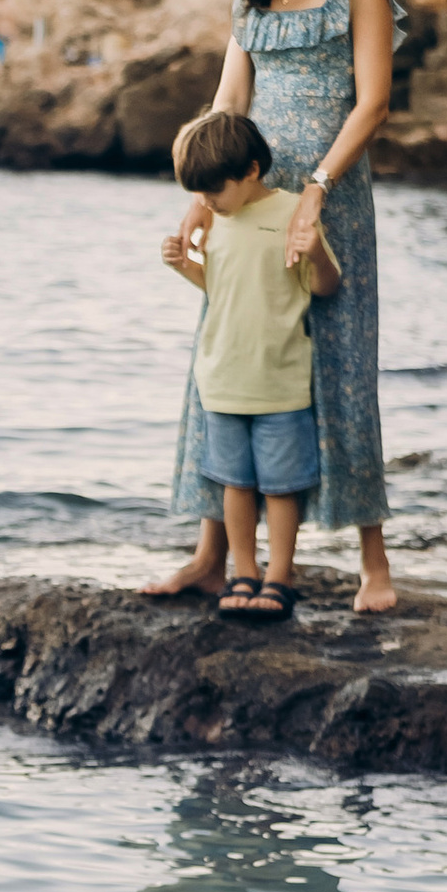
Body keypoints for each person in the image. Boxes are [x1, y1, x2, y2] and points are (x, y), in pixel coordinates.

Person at [150, 0, 402, 613]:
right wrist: (201, 198)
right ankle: (210, 556)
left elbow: (374, 102)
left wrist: (318, 190)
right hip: (246, 193)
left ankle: (374, 565)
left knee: (342, 363)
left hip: (330, 196)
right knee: (230, 353)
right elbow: (231, 96)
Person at [145, 109, 338, 616]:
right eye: (199, 196)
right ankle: (242, 573)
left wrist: (316, 252)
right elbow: (220, 289)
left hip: (280, 378)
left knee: (280, 487)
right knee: (235, 484)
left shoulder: (294, 213)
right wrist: (185, 265)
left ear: (251, 171)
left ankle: (279, 576)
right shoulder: (218, 222)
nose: (205, 204)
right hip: (223, 378)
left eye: (213, 193)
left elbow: (325, 286)